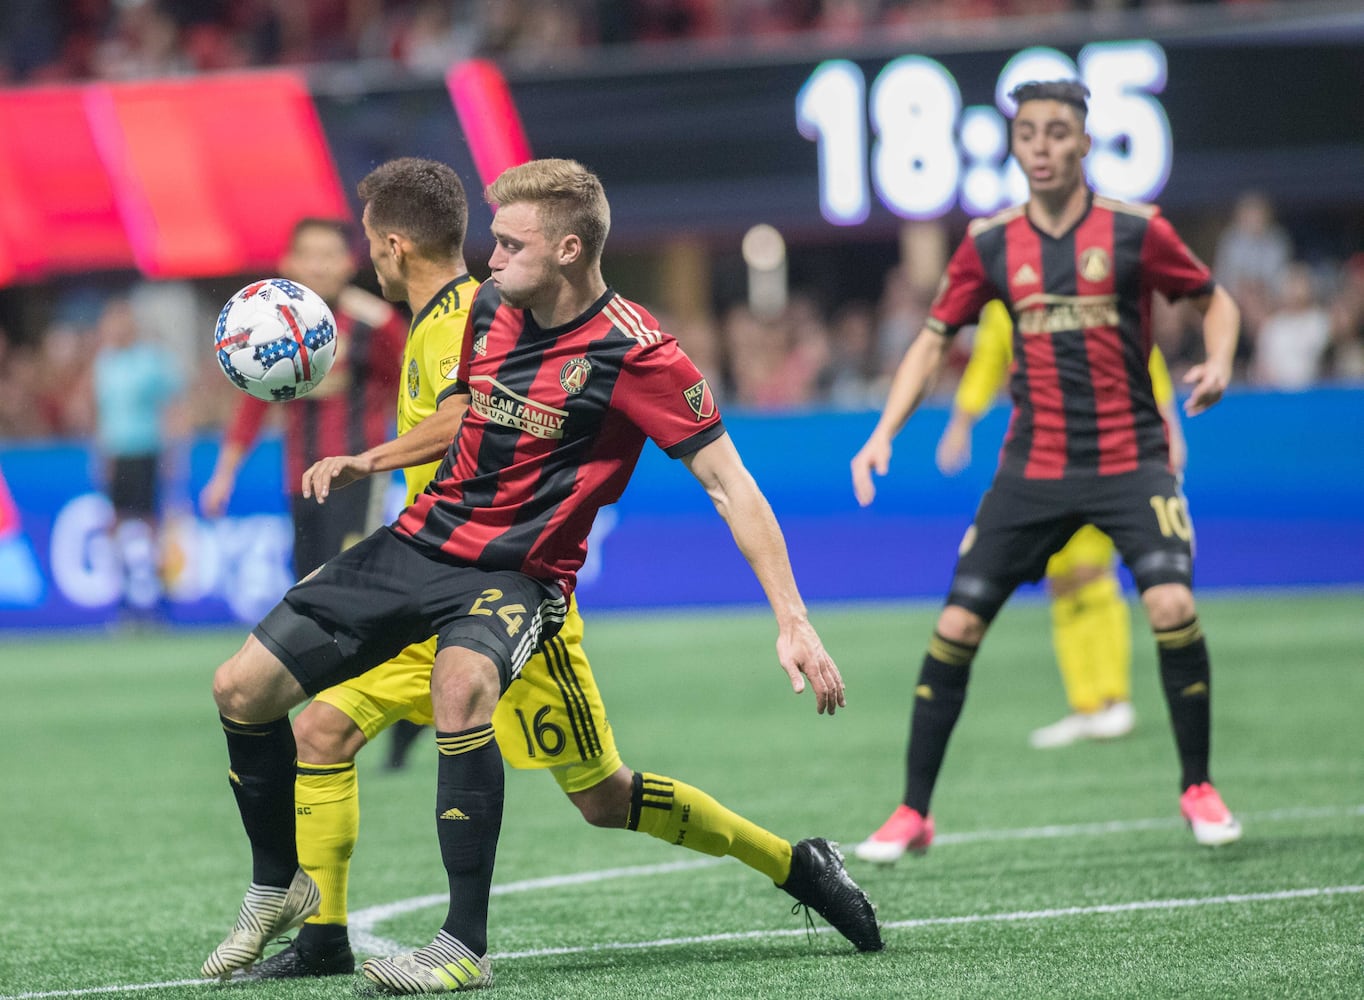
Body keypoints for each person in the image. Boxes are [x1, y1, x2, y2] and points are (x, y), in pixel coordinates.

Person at [203, 157, 878, 994]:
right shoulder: (485, 309)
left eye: (509, 243)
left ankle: (473, 943)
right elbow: (461, 412)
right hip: (422, 543)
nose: (489, 259)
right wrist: (367, 458)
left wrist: (793, 617)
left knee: (582, 782)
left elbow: (732, 485)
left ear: (566, 249)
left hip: (518, 576)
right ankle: (291, 896)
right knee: (249, 692)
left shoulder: (638, 354)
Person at [848, 80, 1243, 865]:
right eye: (1028, 132)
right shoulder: (991, 243)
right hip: (1034, 467)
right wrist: (884, 431)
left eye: (1058, 132)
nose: (1042, 146)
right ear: (1015, 144)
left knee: (1169, 602)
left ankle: (1198, 787)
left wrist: (1221, 361)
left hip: (1132, 457)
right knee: (956, 625)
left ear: (1085, 143)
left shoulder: (1137, 230)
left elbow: (1214, 300)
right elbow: (933, 339)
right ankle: (912, 811)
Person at [935, 300, 1188, 749]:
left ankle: (1114, 699)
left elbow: (1140, 348)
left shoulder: (1091, 291)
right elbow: (989, 359)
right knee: (1063, 581)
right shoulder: (1005, 298)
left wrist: (1168, 424)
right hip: (1041, 460)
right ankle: (1086, 704)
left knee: (1092, 573)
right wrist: (961, 421)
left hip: (1105, 447)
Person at [199, 217, 408, 579]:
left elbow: (413, 383)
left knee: (350, 582)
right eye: (309, 255)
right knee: (307, 584)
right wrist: (224, 474)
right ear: (288, 264)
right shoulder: (270, 327)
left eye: (329, 255)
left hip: (357, 475)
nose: (318, 265)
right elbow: (253, 403)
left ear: (349, 263)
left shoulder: (375, 322)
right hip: (300, 478)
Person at [92, 295, 184, 619]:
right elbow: (102, 414)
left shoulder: (150, 360)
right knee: (115, 523)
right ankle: (123, 594)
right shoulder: (104, 363)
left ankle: (156, 597)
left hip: (147, 450)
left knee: (150, 522)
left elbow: (172, 408)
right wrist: (101, 455)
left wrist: (174, 451)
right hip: (117, 453)